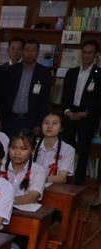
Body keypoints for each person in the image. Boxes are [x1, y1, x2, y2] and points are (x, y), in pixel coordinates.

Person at [61, 40, 101, 185]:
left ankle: (78, 182)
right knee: (66, 149)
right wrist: (67, 112)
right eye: (84, 52)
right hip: (70, 114)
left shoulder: (99, 74)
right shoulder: (71, 73)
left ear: (96, 55)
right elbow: (64, 97)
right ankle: (63, 178)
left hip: (88, 117)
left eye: (90, 53)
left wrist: (87, 113)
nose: (86, 55)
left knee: (83, 150)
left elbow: (98, 100)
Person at [4, 39, 51, 136]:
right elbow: (4, 96)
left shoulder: (44, 73)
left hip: (30, 121)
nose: (29, 54)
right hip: (10, 119)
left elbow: (44, 101)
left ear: (38, 52)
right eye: (27, 50)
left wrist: (39, 123)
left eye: (33, 50)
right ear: (22, 52)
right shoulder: (12, 70)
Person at [2, 129, 47, 206]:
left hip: (23, 213)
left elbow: (33, 197)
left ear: (32, 151)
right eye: (13, 148)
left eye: (23, 149)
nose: (17, 153)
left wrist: (4, 203)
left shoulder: (39, 171)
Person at [33, 112, 75, 185]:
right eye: (46, 123)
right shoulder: (32, 145)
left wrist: (39, 179)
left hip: (54, 189)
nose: (49, 126)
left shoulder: (68, 149)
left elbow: (62, 178)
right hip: (30, 186)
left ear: (61, 128)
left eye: (54, 123)